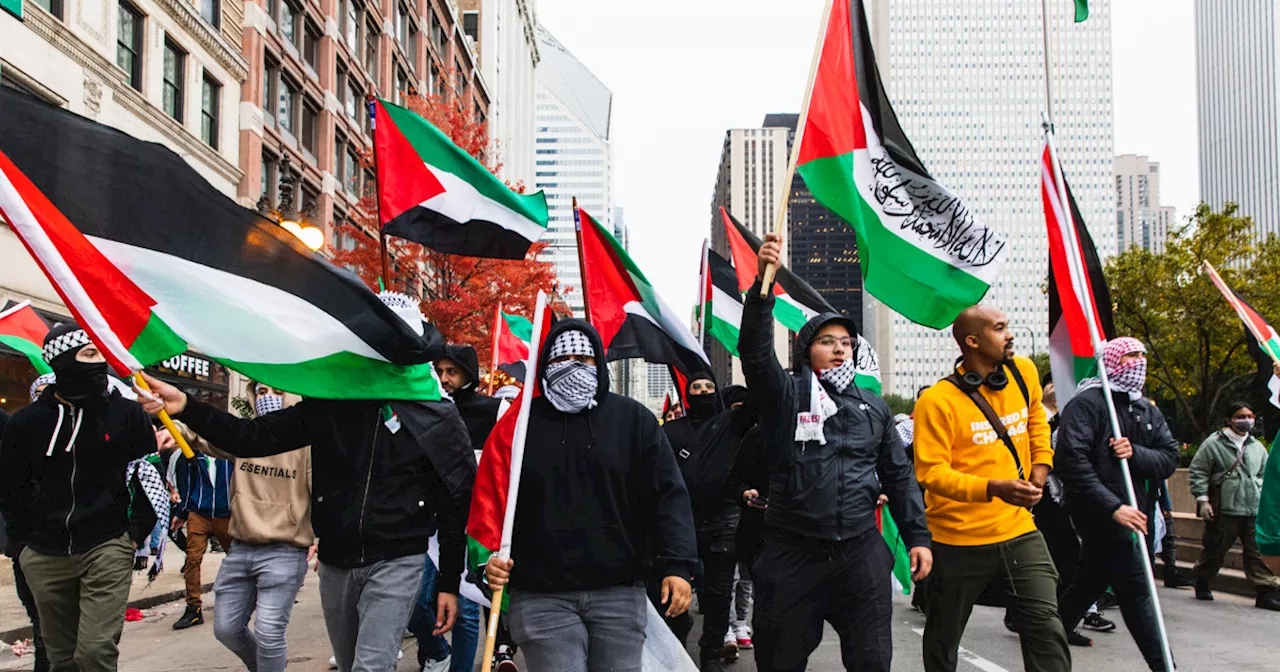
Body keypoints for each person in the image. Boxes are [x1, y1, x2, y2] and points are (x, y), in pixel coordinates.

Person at [137, 293, 475, 672]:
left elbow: (455, 501)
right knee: (349, 665)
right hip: (336, 559)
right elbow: (252, 437)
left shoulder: (437, 412)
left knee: (371, 667)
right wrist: (186, 406)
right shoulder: (332, 400)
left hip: (400, 558)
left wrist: (448, 581)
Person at [738, 232, 931, 672]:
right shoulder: (785, 396)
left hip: (859, 556)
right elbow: (754, 352)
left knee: (871, 661)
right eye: (827, 340)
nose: (840, 347)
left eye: (846, 341)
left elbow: (899, 477)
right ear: (807, 351)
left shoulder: (874, 408)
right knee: (779, 662)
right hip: (791, 556)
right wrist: (762, 289)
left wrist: (918, 537)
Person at [482, 320, 697, 672]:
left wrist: (677, 565)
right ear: (545, 364)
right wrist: (486, 560)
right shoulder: (518, 426)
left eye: (584, 357)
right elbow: (491, 499)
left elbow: (667, 495)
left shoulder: (633, 421)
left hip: (618, 591)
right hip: (540, 594)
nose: (573, 364)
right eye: (562, 356)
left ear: (600, 360)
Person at [912, 305, 1069, 672]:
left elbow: (1036, 421)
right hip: (955, 541)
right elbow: (931, 474)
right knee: (942, 639)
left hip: (1019, 532)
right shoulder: (937, 401)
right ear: (972, 341)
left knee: (1046, 626)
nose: (1009, 334)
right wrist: (992, 488)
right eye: (999, 328)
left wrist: (1041, 468)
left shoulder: (1023, 371)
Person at [0, 324, 158, 672]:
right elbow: (11, 487)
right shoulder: (26, 423)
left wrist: (133, 535)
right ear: (62, 360)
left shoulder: (127, 415)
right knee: (61, 659)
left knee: (95, 653)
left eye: (102, 355)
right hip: (43, 553)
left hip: (107, 545)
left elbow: (149, 476)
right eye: (89, 355)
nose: (99, 365)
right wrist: (22, 544)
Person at [160, 380, 314, 671]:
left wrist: (318, 537)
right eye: (262, 392)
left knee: (269, 632)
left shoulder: (305, 444)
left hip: (285, 547)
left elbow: (321, 489)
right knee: (226, 629)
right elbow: (203, 437)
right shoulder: (245, 438)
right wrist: (175, 427)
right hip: (241, 547)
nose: (268, 397)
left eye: (277, 391)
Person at [1055, 337, 1178, 672]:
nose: (1138, 362)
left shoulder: (1146, 409)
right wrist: (1112, 507)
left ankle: (1050, 634)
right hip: (1100, 512)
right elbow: (1071, 461)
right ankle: (1164, 665)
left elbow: (1169, 457)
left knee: (1091, 580)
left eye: (1141, 355)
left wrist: (1135, 453)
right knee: (1138, 589)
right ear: (1111, 362)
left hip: (1135, 511)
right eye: (1130, 356)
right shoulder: (1088, 404)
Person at [407, 344, 492, 672]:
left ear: (469, 375)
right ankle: (437, 653)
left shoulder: (491, 412)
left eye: (452, 372)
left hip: (470, 528)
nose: (444, 379)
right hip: (427, 526)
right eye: (440, 371)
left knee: (468, 614)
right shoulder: (425, 408)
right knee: (414, 603)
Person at [661, 374, 754, 670]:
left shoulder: (732, 424)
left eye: (708, 387)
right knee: (672, 590)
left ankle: (711, 655)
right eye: (696, 388)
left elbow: (761, 398)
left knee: (717, 595)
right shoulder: (671, 430)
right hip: (679, 524)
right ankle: (676, 642)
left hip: (723, 521)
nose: (702, 392)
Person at [1188, 401, 1280, 608]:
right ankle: (1203, 579)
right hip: (1225, 507)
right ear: (1229, 420)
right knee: (1215, 548)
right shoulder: (1213, 444)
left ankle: (1266, 591)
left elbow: (1268, 474)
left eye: (1249, 416)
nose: (1246, 420)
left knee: (1256, 551)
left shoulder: (1257, 447)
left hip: (1253, 507)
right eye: (1240, 416)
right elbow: (1199, 472)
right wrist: (1203, 500)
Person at [168, 433, 234, 629]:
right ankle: (193, 608)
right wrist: (181, 512)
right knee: (192, 559)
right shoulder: (192, 457)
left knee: (238, 560)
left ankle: (241, 597)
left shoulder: (230, 456)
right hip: (199, 513)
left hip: (226, 513)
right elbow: (186, 486)